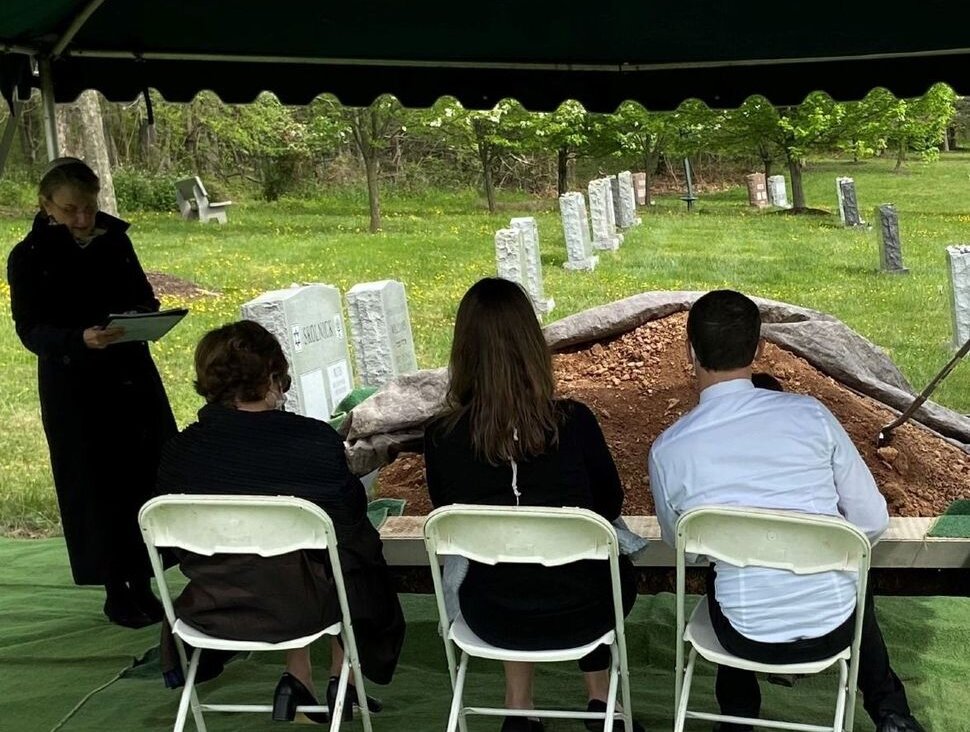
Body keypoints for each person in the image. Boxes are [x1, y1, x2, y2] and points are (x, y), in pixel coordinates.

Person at [648, 290, 924, 732]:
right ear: (759, 350)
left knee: (725, 570)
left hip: (742, 635)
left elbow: (681, 546)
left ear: (690, 352)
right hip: (835, 627)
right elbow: (871, 521)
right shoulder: (811, 416)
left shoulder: (669, 450)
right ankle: (892, 713)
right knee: (853, 568)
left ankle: (736, 718)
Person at [156, 320, 404, 723]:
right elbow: (347, 521)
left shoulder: (180, 451)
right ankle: (344, 679)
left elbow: (170, 542)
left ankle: (298, 680)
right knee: (350, 551)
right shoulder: (312, 441)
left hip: (211, 604)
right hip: (301, 607)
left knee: (290, 557)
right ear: (273, 377)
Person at [424, 278, 644, 732]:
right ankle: (601, 702)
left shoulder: (441, 436)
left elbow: (448, 513)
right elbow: (609, 503)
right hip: (588, 608)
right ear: (531, 344)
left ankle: (518, 706)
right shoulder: (575, 422)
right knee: (592, 555)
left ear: (463, 350)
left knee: (507, 559)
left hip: (491, 612)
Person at [7, 157, 176, 628]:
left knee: (143, 473)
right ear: (46, 206)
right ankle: (114, 587)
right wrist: (77, 339)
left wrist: (140, 318)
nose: (82, 218)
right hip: (74, 387)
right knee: (94, 483)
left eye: (88, 207)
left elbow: (145, 295)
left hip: (129, 375)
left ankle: (146, 580)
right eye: (70, 210)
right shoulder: (30, 257)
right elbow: (30, 329)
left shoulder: (115, 240)